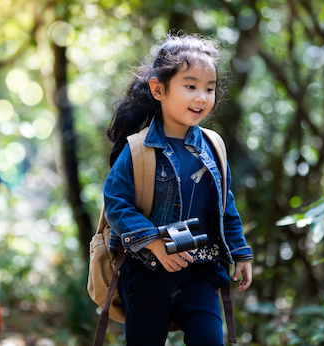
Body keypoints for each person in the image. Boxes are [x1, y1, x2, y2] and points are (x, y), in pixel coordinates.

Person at [104, 33, 253, 345]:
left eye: (208, 88)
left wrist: (240, 252)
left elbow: (225, 204)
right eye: (190, 86)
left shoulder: (213, 146)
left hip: (200, 270)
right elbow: (116, 204)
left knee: (209, 340)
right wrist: (155, 244)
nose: (201, 97)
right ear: (159, 89)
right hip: (147, 272)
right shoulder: (138, 150)